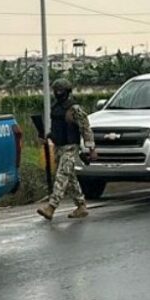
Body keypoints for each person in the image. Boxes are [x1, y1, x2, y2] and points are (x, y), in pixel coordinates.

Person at [37, 78, 96, 221]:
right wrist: (47, 136)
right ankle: (81, 205)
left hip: (70, 147)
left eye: (60, 90)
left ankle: (51, 207)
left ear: (67, 91)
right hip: (58, 146)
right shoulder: (56, 107)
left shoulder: (74, 108)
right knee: (69, 178)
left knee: (62, 175)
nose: (58, 93)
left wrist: (90, 148)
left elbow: (85, 128)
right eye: (56, 90)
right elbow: (56, 128)